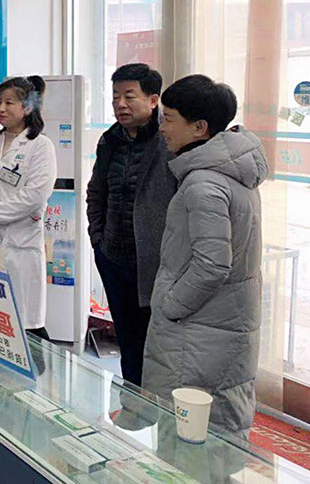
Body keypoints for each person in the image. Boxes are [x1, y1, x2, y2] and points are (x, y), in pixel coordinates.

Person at [143, 75, 267, 437]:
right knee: (218, 428)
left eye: (168, 119)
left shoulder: (204, 183)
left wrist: (170, 305)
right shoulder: (229, 172)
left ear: (199, 127)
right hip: (222, 324)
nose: (161, 128)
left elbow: (212, 264)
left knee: (191, 436)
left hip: (199, 332)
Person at [86, 63, 177, 386]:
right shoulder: (110, 139)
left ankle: (156, 405)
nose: (120, 104)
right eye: (115, 97)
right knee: (127, 339)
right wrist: (98, 239)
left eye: (129, 96)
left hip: (156, 263)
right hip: (114, 256)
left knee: (158, 344)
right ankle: (133, 402)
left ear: (153, 100)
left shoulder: (169, 140)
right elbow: (96, 192)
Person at [0, 76, 57, 338]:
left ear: (27, 107)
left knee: (25, 324)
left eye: (9, 102)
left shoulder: (40, 146)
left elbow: (35, 195)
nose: (1, 108)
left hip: (20, 243)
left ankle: (37, 365)